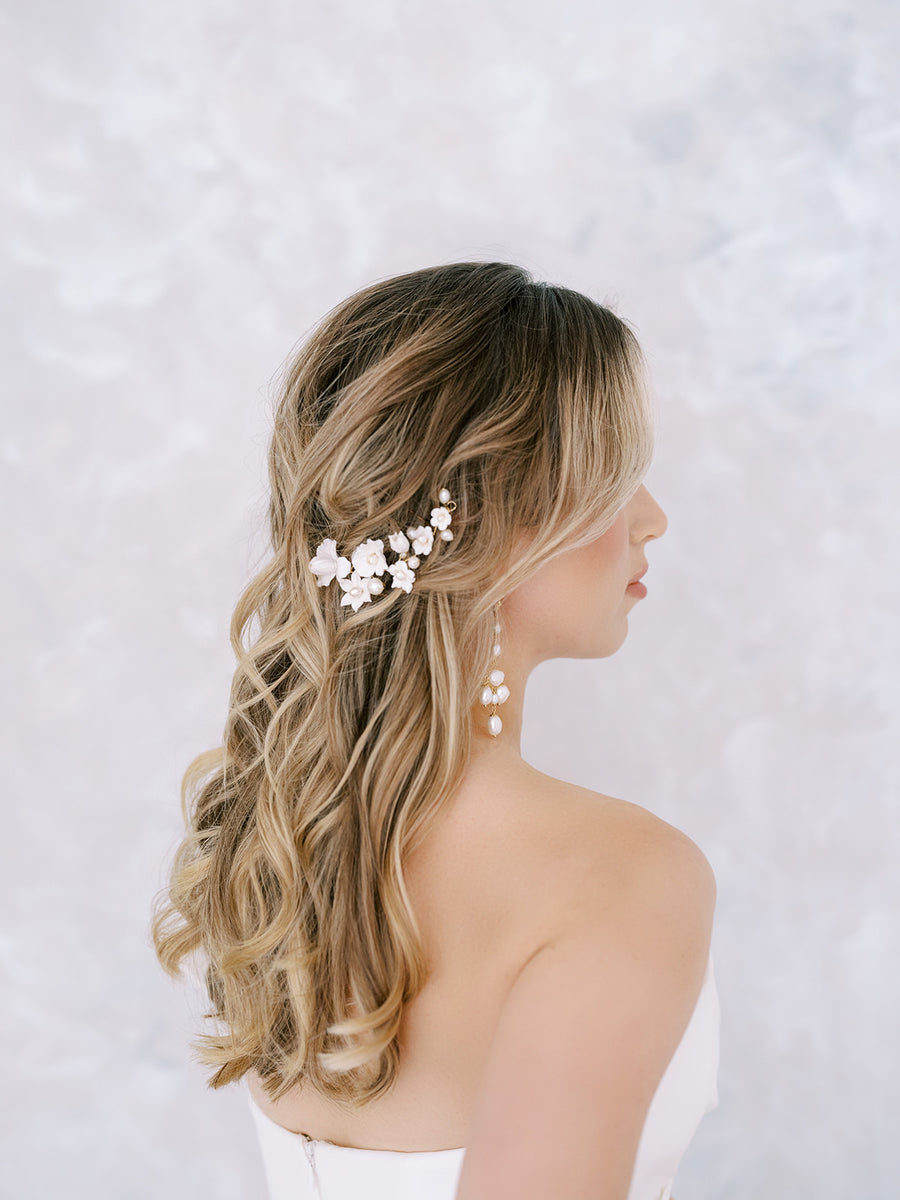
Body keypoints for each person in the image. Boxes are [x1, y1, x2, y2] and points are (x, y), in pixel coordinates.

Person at [152, 261, 719, 1200]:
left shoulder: (290, 841)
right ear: (490, 528)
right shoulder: (620, 877)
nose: (651, 519)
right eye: (616, 479)